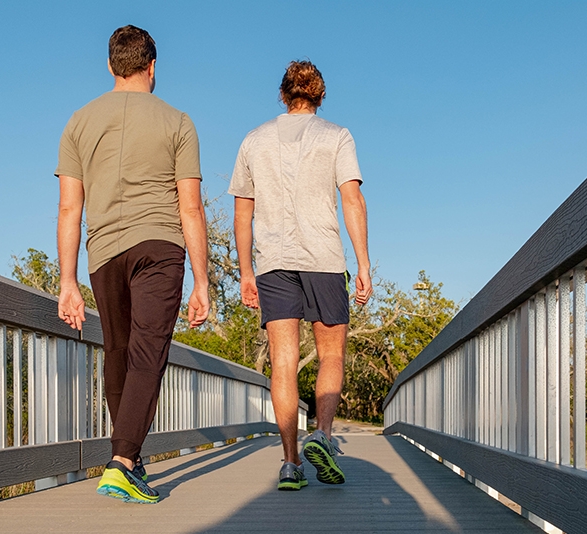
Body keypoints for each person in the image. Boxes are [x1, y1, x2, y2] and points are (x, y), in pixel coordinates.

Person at [55, 25, 209, 504]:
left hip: (102, 252)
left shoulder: (79, 121)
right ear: (152, 65)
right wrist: (202, 282)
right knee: (147, 352)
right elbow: (190, 208)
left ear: (110, 65)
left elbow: (69, 208)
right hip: (159, 245)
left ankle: (129, 461)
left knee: (118, 352)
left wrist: (67, 281)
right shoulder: (178, 122)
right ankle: (122, 462)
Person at [229, 60, 372, 491]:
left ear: (283, 94)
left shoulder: (254, 140)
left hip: (273, 262)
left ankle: (290, 463)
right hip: (323, 258)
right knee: (331, 355)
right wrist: (363, 263)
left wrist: (246, 272)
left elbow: (242, 213)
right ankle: (322, 436)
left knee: (283, 362)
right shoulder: (336, 136)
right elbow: (352, 200)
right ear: (321, 95)